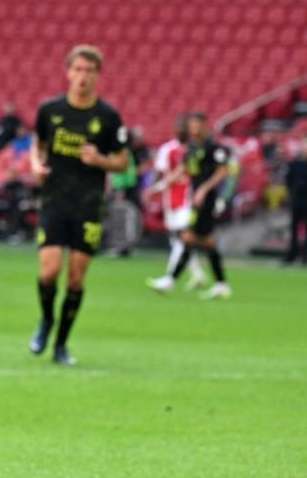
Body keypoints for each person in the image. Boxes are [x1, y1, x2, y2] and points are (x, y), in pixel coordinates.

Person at [28, 45, 129, 365]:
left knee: (75, 278)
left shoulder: (108, 117)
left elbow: (123, 163)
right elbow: (38, 145)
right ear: (68, 72)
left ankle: (61, 345)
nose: (83, 77)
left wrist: (99, 159)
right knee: (49, 272)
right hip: (55, 200)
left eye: (90, 71)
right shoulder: (50, 110)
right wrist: (36, 164)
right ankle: (46, 320)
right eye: (78, 70)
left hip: (88, 205)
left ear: (97, 75)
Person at [149, 112, 234, 298]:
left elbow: (223, 172)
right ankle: (221, 284)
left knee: (188, 237)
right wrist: (159, 187)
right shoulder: (192, 148)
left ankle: (170, 280)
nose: (193, 130)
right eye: (191, 126)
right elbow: (182, 170)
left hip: (207, 200)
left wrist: (203, 189)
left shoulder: (214, 148)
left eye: (197, 126)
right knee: (205, 241)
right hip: (195, 199)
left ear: (204, 126)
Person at [145, 114, 207, 288]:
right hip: (170, 199)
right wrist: (154, 188)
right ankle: (198, 275)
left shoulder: (194, 149)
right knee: (177, 239)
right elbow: (159, 171)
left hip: (188, 198)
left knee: (182, 236)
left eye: (185, 126)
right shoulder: (168, 149)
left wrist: (154, 189)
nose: (182, 129)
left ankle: (170, 278)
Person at [284, 136, 307, 265]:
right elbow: (288, 180)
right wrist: (291, 193)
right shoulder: (294, 164)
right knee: (293, 228)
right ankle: (292, 254)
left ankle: (305, 257)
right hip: (297, 199)